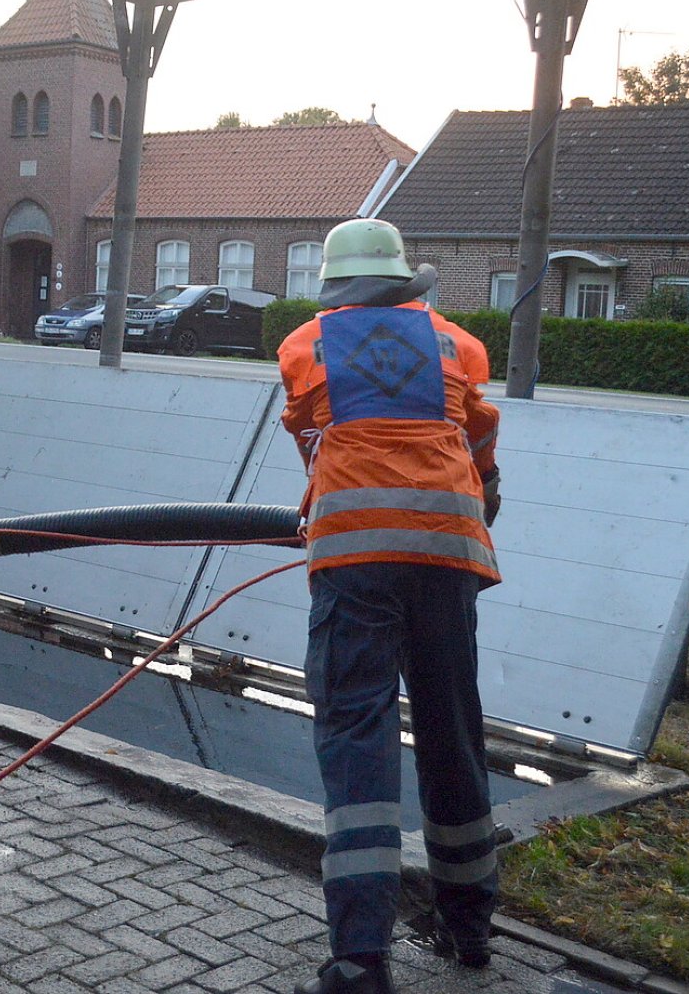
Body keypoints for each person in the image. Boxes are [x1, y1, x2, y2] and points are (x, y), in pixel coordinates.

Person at [275, 219, 502, 994]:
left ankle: (359, 959)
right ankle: (469, 927)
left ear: (335, 287)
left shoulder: (305, 345)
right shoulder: (457, 344)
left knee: (356, 736)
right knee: (450, 727)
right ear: (406, 278)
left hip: (355, 561)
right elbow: (477, 444)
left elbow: (314, 441)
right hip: (448, 553)